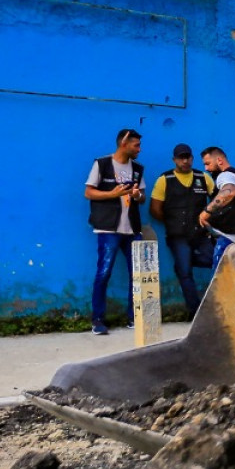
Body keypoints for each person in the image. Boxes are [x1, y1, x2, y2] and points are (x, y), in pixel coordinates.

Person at [84, 128, 144, 335]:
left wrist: (137, 195)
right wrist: (112, 193)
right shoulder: (102, 164)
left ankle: (134, 317)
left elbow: (142, 197)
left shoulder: (137, 168)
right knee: (104, 273)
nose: (139, 149)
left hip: (132, 229)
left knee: (138, 275)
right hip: (108, 228)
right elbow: (88, 192)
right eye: (136, 145)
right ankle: (98, 320)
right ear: (124, 143)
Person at [149, 143, 213, 319]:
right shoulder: (165, 179)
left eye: (188, 157)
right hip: (178, 236)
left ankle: (185, 261)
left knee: (215, 261)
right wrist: (172, 222)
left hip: (200, 234)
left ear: (192, 158)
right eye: (181, 158)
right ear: (174, 160)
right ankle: (195, 312)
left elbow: (216, 200)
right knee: (185, 274)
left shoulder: (203, 177)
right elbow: (154, 209)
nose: (185, 161)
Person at [198, 146, 235, 268]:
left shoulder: (226, 175)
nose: (206, 168)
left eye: (208, 164)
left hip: (229, 240)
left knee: (221, 284)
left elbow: (229, 192)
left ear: (219, 160)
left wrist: (206, 212)